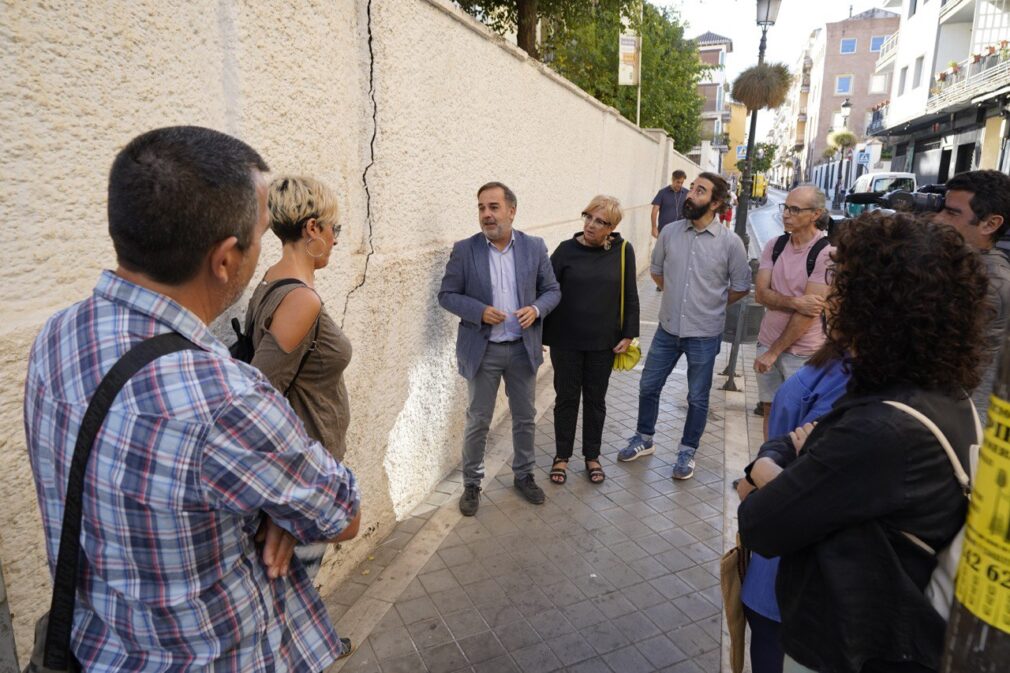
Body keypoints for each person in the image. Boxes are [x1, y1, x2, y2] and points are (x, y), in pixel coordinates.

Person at [23, 126, 362, 671]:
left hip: (95, 646)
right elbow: (342, 515)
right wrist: (284, 499)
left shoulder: (58, 335)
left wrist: (272, 489)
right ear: (226, 259)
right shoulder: (227, 401)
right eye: (259, 233)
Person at [738, 212, 988, 673]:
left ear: (873, 306)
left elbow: (759, 522)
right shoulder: (944, 396)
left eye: (843, 285)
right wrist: (788, 457)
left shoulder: (882, 431)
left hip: (849, 649)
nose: (831, 298)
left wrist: (765, 470)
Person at [243, 175, 352, 580]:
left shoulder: (273, 279)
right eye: (333, 229)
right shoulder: (300, 300)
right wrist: (285, 504)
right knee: (296, 589)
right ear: (312, 229)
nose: (336, 240)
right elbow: (260, 396)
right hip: (303, 477)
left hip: (307, 469)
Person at [438, 181, 561, 516]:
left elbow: (552, 290)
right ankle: (472, 484)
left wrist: (535, 310)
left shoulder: (534, 247)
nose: (486, 215)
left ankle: (524, 475)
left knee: (525, 418)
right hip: (484, 350)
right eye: (481, 208)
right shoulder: (466, 250)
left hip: (522, 349)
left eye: (493, 207)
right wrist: (478, 311)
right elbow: (447, 295)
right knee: (478, 420)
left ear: (511, 210)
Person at [618, 172, 751, 480]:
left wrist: (711, 304)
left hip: (704, 335)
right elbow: (657, 271)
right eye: (692, 187)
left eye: (700, 191)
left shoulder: (730, 243)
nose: (691, 194)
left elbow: (741, 285)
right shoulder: (669, 232)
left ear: (715, 203)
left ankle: (687, 450)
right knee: (648, 385)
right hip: (666, 330)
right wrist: (678, 298)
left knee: (697, 397)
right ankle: (644, 438)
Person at [739, 354, 849, 673]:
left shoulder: (871, 392)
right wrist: (762, 469)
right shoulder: (836, 363)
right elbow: (787, 444)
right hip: (776, 571)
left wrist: (764, 474)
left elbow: (825, 494)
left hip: (804, 586)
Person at [542, 195, 639, 485]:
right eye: (589, 217)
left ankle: (592, 456)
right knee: (566, 399)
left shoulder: (623, 251)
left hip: (603, 342)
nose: (591, 225)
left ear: (612, 228)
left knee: (595, 401)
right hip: (566, 339)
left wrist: (629, 334)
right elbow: (546, 291)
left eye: (601, 222)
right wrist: (538, 332)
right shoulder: (564, 251)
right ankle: (561, 456)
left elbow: (630, 294)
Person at [753, 186, 832, 438]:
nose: (786, 214)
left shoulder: (826, 253)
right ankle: (765, 470)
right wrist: (797, 302)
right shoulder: (774, 246)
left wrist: (774, 352)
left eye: (795, 209)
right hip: (767, 342)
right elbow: (760, 294)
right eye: (785, 207)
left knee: (798, 420)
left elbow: (810, 313)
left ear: (815, 214)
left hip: (802, 353)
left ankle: (787, 474)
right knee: (770, 410)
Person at [932, 169, 1010, 425]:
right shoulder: (959, 262)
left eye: (952, 213)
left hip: (958, 423)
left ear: (990, 224)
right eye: (943, 209)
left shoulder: (990, 282)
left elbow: (940, 360)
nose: (938, 219)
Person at [652, 169, 688, 238]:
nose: (680, 185)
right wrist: (654, 227)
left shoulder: (687, 193)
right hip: (664, 230)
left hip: (681, 231)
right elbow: (654, 211)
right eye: (678, 182)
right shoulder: (662, 192)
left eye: (682, 183)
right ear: (672, 180)